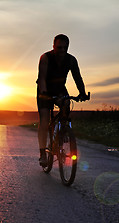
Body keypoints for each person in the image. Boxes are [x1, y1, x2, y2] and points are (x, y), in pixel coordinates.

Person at [36, 34, 88, 167]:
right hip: (45, 89)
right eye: (59, 47)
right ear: (53, 46)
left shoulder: (71, 60)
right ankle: (43, 153)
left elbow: (77, 77)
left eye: (65, 48)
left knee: (66, 103)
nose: (62, 51)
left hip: (59, 89)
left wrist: (82, 93)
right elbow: (41, 78)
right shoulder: (45, 58)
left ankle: (63, 130)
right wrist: (44, 92)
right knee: (44, 120)